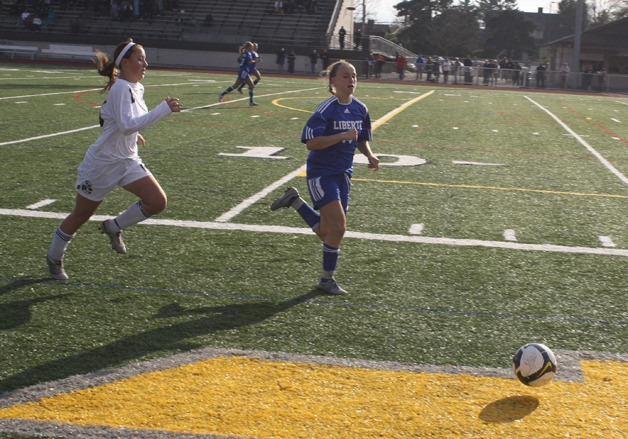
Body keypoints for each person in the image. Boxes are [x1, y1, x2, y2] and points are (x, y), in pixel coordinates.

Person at [46, 38, 182, 280]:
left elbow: (123, 122)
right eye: (140, 59)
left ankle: (113, 226)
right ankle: (54, 258)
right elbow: (127, 124)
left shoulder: (135, 88)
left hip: (127, 160)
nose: (145, 64)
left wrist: (134, 133)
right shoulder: (120, 87)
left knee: (157, 202)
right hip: (102, 165)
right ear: (126, 62)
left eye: (145, 59)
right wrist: (163, 110)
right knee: (80, 216)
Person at [270, 61, 379, 295]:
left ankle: (294, 201)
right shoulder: (326, 109)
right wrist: (340, 136)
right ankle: (326, 280)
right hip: (321, 173)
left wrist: (369, 154)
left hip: (344, 173)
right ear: (333, 81)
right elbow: (311, 143)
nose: (351, 81)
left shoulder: (361, 109)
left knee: (326, 231)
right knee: (339, 227)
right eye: (346, 76)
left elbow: (361, 138)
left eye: (354, 76)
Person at [218, 41, 258, 106]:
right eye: (252, 46)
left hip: (244, 71)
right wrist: (255, 60)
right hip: (244, 71)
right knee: (241, 85)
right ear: (248, 47)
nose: (253, 48)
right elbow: (249, 62)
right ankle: (222, 94)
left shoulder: (246, 53)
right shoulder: (247, 53)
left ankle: (251, 102)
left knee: (240, 86)